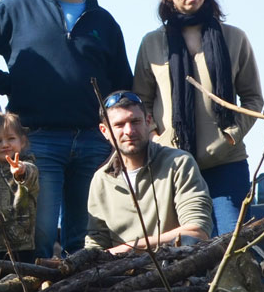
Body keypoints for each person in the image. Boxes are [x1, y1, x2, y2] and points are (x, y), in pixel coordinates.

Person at [0, 0, 133, 258]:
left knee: (87, 237)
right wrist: (9, 84)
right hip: (38, 139)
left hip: (93, 141)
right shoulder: (14, 10)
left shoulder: (104, 22)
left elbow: (122, 84)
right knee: (40, 233)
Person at [132, 0, 264, 235]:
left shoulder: (234, 38)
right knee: (181, 248)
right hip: (171, 165)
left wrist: (230, 137)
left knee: (233, 244)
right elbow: (140, 101)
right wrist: (157, 139)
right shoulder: (152, 43)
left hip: (226, 163)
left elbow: (253, 100)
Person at [84, 91, 212, 253]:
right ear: (104, 131)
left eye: (135, 121)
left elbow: (197, 231)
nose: (129, 131)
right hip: (119, 274)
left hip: (176, 269)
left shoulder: (179, 163)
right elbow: (96, 245)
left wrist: (128, 248)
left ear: (148, 121)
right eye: (119, 125)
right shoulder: (101, 180)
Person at [0, 113, 39, 271]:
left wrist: (19, 172)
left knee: (19, 290)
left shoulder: (27, 166)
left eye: (11, 139)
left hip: (19, 247)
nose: (5, 144)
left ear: (22, 141)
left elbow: (27, 176)